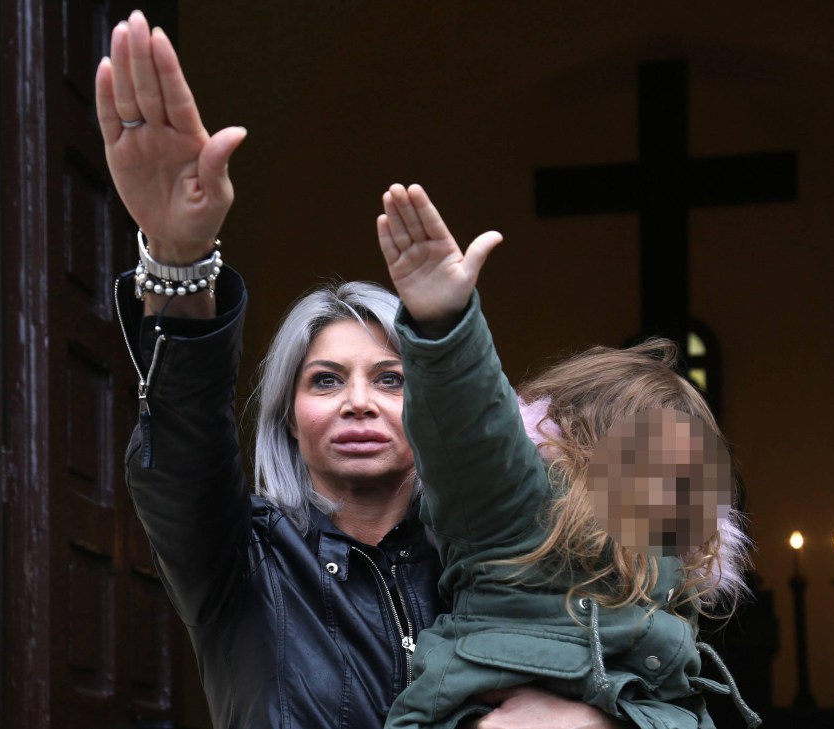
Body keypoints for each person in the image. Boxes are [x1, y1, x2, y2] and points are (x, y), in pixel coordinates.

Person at [98, 10, 625, 729]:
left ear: (434, 404)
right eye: (324, 379)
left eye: (391, 378)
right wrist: (177, 257)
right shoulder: (238, 558)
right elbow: (186, 434)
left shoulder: (499, 560)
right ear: (288, 414)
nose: (358, 401)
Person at [375, 184, 760, 728]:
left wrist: (599, 722)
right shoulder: (522, 511)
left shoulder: (670, 585)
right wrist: (446, 325)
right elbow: (472, 430)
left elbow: (684, 716)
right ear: (579, 447)